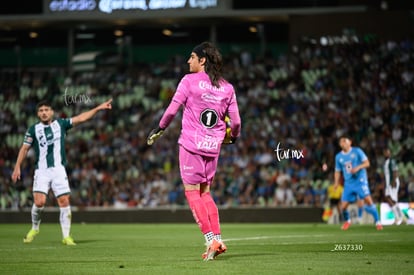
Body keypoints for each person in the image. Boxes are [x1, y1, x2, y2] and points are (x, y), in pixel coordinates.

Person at [146, 41, 241, 261]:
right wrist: (232, 138)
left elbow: (171, 110)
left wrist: (159, 128)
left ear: (202, 60)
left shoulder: (188, 81)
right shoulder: (227, 87)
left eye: (191, 57)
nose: (188, 61)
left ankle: (210, 240)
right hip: (213, 147)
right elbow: (235, 122)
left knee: (192, 193)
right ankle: (218, 238)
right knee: (205, 193)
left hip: (191, 145)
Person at [11, 98, 113, 245]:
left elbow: (81, 118)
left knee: (64, 201)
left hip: (58, 170)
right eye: (41, 111)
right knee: (39, 202)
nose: (44, 113)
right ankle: (35, 228)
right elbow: (24, 148)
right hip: (42, 170)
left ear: (52, 112)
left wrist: (98, 108)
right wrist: (17, 166)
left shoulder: (61, 124)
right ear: (38, 114)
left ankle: (66, 236)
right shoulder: (33, 129)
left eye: (47, 110)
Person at [333, 135, 383, 230]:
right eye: (341, 142)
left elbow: (367, 163)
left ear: (350, 142)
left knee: (368, 201)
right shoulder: (338, 157)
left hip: (360, 181)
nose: (343, 143)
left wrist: (358, 167)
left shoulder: (357, 151)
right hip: (348, 183)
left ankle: (378, 222)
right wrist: (336, 182)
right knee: (342, 207)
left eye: (345, 141)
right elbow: (337, 171)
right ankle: (348, 221)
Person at [383, 148, 405, 225]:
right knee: (388, 198)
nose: (386, 153)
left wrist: (394, 181)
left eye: (387, 152)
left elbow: (395, 171)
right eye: (385, 152)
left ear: (390, 153)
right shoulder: (386, 162)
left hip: (393, 182)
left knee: (392, 199)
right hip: (388, 183)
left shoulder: (391, 161)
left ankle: (400, 217)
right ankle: (399, 217)